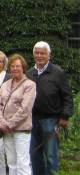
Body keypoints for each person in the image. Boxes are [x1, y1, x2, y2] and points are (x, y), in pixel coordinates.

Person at [27, 41, 74, 175]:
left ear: (49, 55)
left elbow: (67, 96)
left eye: (43, 53)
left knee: (51, 155)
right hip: (32, 121)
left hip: (51, 120)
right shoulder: (30, 73)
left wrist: (65, 116)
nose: (39, 56)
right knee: (34, 154)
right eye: (37, 53)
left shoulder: (58, 72)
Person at [0, 54, 36, 175]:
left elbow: (25, 109)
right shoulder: (5, 84)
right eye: (12, 66)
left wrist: (9, 124)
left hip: (21, 130)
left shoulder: (30, 85)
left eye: (18, 66)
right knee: (11, 163)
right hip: (6, 130)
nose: (15, 69)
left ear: (23, 67)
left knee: (23, 163)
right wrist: (2, 123)